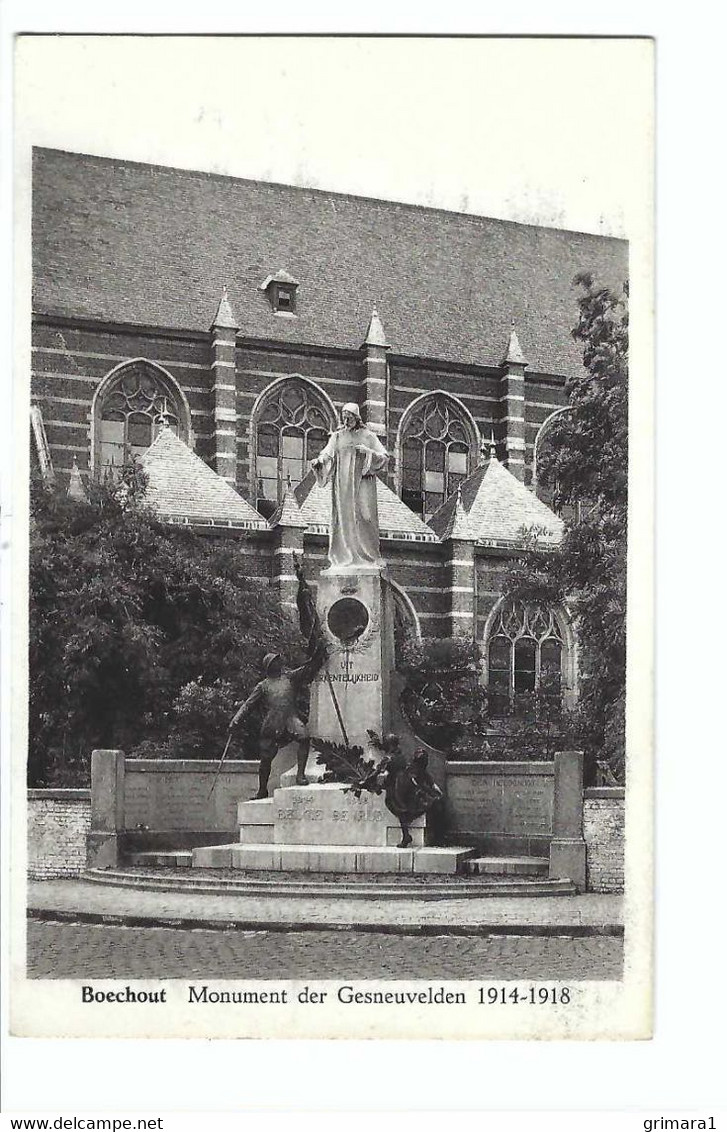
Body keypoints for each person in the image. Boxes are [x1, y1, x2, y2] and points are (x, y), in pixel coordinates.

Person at [228, 647, 325, 799]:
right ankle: (262, 790)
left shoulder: (289, 678)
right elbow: (248, 705)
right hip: (272, 723)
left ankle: (300, 775)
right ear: (269, 666)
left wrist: (319, 655)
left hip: (290, 718)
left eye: (278, 660)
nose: (279, 663)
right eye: (275, 661)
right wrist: (236, 719)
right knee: (266, 759)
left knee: (304, 738)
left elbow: (306, 670)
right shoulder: (263, 686)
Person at [311, 402, 388, 570]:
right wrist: (319, 461)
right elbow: (327, 453)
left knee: (364, 516)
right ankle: (344, 555)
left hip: (362, 482)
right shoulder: (338, 436)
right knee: (343, 517)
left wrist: (368, 453)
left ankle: (369, 557)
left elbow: (383, 457)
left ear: (356, 418)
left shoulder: (368, 436)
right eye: (344, 418)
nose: (346, 421)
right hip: (343, 484)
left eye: (349, 418)